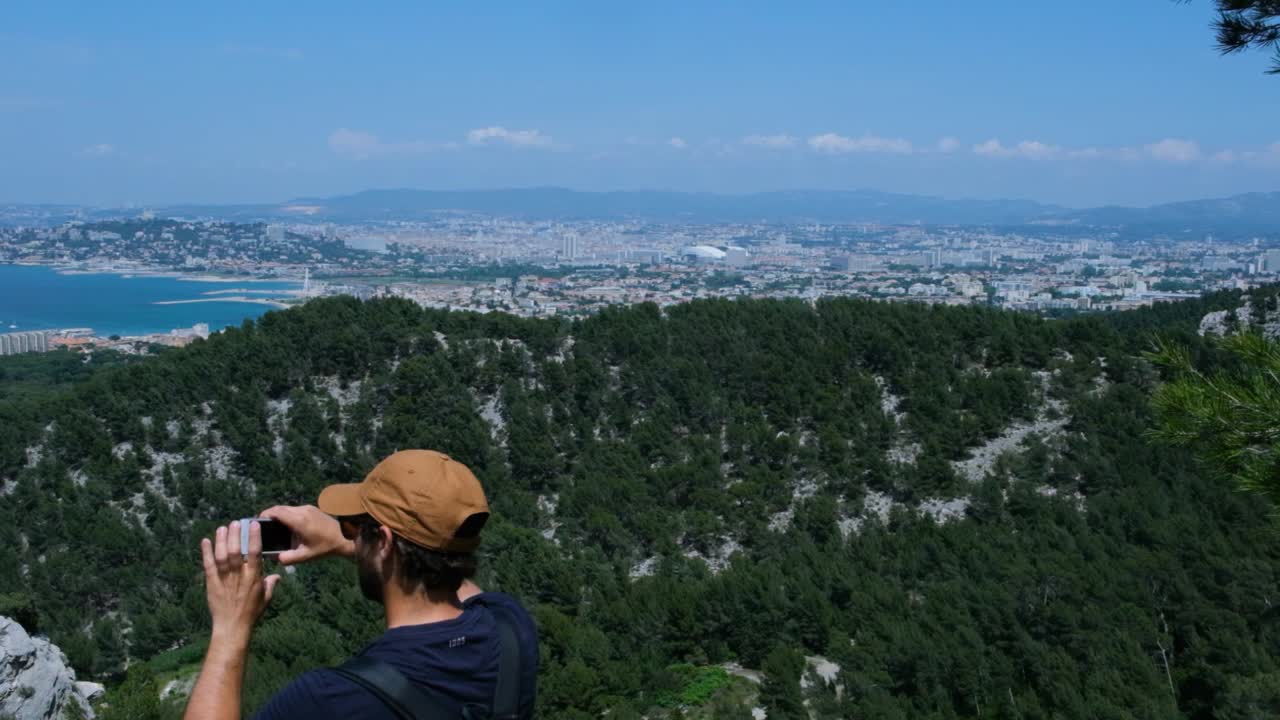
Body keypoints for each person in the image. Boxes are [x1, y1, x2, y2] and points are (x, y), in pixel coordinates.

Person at [183, 449, 539, 720]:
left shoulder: (330, 698)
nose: (347, 531)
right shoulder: (512, 630)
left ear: (383, 542)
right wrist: (353, 543)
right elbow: (457, 582)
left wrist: (230, 628)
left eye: (354, 524)